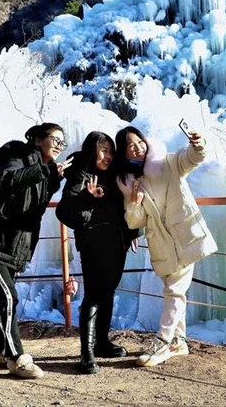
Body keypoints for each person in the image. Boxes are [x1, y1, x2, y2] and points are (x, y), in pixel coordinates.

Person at [0, 122, 72, 379]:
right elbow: (7, 180)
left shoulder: (44, 171)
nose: (58, 145)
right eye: (54, 139)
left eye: (62, 143)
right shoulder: (17, 157)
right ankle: (16, 357)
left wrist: (56, 175)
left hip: (15, 245)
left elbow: (34, 204)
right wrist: (45, 170)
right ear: (37, 140)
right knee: (7, 296)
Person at [114, 125, 218, 367]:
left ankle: (162, 342)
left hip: (184, 237)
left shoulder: (168, 163)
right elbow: (134, 221)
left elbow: (192, 158)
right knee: (175, 291)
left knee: (174, 291)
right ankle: (178, 342)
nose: (137, 148)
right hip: (161, 244)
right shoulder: (129, 183)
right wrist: (135, 203)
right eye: (130, 145)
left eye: (139, 141)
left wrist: (198, 143)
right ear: (124, 153)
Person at [55, 131, 142, 374]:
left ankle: (102, 342)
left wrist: (133, 232)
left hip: (117, 242)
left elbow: (124, 205)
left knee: (108, 291)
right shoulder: (81, 175)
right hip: (93, 242)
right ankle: (87, 352)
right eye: (102, 150)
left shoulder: (114, 174)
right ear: (92, 151)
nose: (107, 156)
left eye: (110, 151)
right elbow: (64, 212)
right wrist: (86, 196)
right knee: (94, 294)